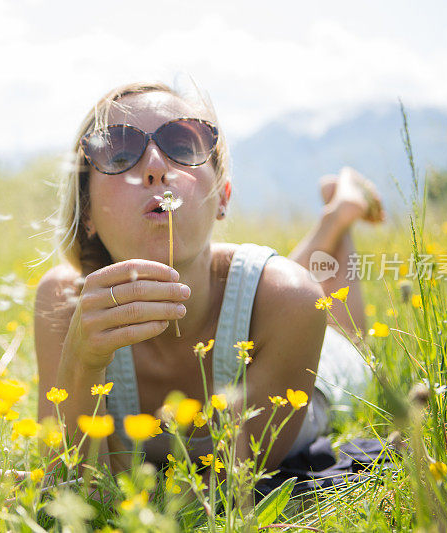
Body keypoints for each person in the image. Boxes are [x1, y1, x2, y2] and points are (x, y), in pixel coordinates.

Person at [34, 81, 382, 475]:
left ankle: (339, 217)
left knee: (342, 331)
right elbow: (68, 475)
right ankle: (337, 213)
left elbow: (228, 484)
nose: (155, 167)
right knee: (278, 288)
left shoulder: (294, 300)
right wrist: (82, 359)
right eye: (118, 152)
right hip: (271, 302)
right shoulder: (65, 302)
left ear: (223, 197)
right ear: (88, 211)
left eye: (183, 146)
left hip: (327, 368)